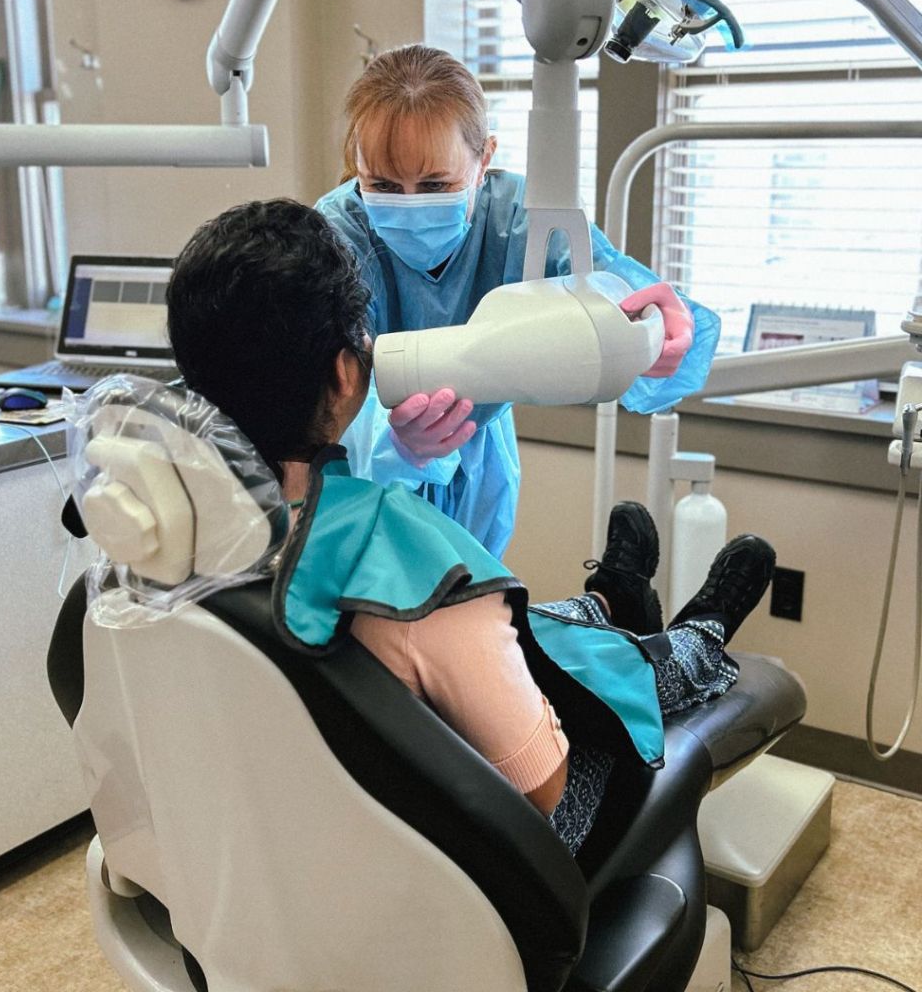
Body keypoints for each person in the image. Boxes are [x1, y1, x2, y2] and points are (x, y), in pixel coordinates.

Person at [166, 198, 774, 856]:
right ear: (347, 374)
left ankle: (611, 599)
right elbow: (542, 784)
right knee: (593, 689)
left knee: (526, 632)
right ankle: (701, 631)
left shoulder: (162, 532)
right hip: (459, 867)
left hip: (287, 847)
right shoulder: (415, 571)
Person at [316, 44, 699, 558]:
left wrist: (660, 329)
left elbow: (616, 293)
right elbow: (318, 391)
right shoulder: (337, 233)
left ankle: (613, 596)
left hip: (479, 467)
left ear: (484, 159)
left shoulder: (527, 219)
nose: (410, 206)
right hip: (362, 468)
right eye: (383, 185)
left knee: (476, 598)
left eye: (435, 184)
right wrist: (392, 450)